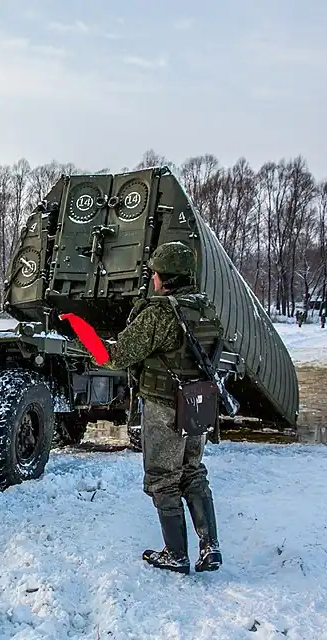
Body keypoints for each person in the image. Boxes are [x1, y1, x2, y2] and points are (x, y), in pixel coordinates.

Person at [97, 241, 224, 574]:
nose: (152, 278)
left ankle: (176, 554)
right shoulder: (205, 307)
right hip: (199, 401)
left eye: (154, 273)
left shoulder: (160, 314)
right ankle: (210, 546)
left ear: (164, 277)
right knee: (192, 471)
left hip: (165, 404)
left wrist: (88, 340)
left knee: (164, 478)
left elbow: (116, 356)